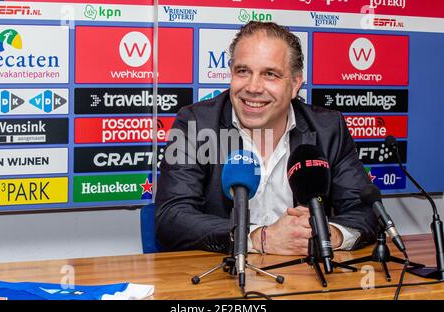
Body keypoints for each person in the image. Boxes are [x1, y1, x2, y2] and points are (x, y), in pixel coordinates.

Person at [155, 21, 377, 255]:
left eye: (270, 74)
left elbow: (367, 209)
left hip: (303, 278)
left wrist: (327, 233)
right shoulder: (196, 124)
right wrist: (260, 238)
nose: (253, 87)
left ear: (294, 85)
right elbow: (171, 217)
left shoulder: (328, 129)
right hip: (221, 276)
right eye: (243, 71)